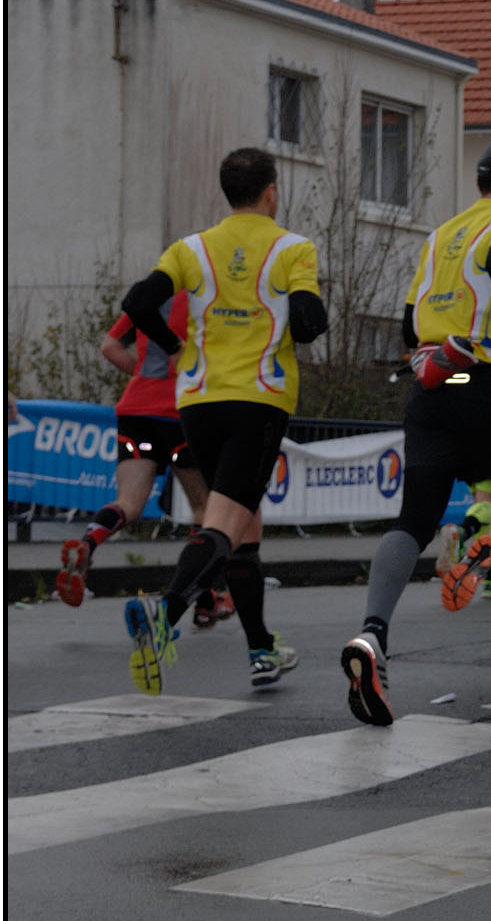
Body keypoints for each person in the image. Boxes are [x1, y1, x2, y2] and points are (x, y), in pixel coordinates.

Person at [340, 137, 491, 726]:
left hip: (434, 390)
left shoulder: (440, 235)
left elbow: (408, 322)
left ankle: (372, 636)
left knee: (413, 521)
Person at [119, 147, 326, 693]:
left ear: (226, 192)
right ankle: (165, 611)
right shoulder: (292, 249)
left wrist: (174, 345)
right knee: (225, 522)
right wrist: (299, 313)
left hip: (197, 400)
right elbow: (307, 326)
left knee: (242, 526)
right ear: (271, 192)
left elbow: (138, 302)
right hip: (258, 400)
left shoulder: (190, 249)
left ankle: (261, 649)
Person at [57, 293, 231, 627]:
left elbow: (110, 346)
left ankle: (89, 542)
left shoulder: (149, 301)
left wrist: (143, 375)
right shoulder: (208, 299)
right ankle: (206, 600)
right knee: (206, 510)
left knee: (128, 503)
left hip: (136, 410)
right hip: (182, 412)